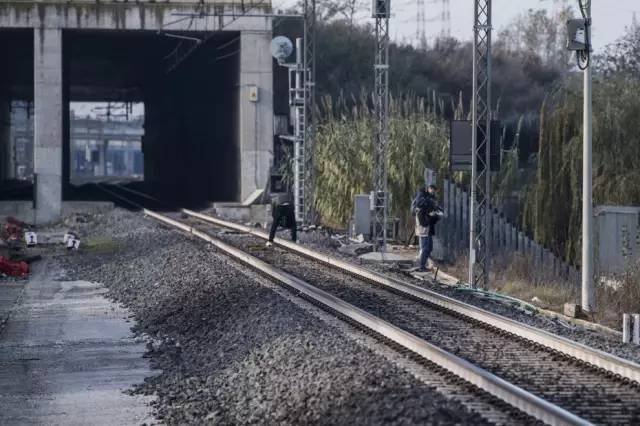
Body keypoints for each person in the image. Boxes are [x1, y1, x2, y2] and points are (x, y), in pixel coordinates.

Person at [411, 184, 442, 272]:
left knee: (429, 247)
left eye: (434, 190)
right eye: (432, 189)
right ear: (428, 188)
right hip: (423, 225)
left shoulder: (430, 198)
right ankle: (421, 266)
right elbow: (421, 205)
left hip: (428, 225)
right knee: (426, 247)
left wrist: (436, 214)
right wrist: (431, 205)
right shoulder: (422, 196)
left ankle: (422, 264)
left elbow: (432, 210)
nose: (433, 191)